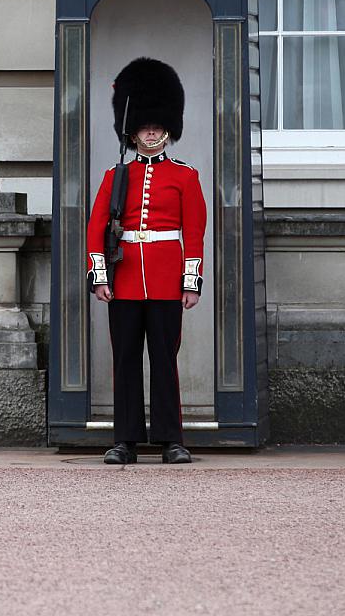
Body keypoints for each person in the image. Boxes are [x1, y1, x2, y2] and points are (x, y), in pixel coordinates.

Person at [86, 57, 207, 465]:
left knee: (163, 358)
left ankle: (171, 439)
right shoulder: (114, 176)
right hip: (124, 281)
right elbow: (95, 230)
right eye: (143, 125)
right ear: (132, 129)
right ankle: (126, 440)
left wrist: (190, 282)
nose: (150, 131)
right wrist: (100, 277)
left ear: (167, 128)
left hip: (166, 278)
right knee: (125, 361)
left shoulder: (185, 177)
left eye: (156, 125)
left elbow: (194, 235)